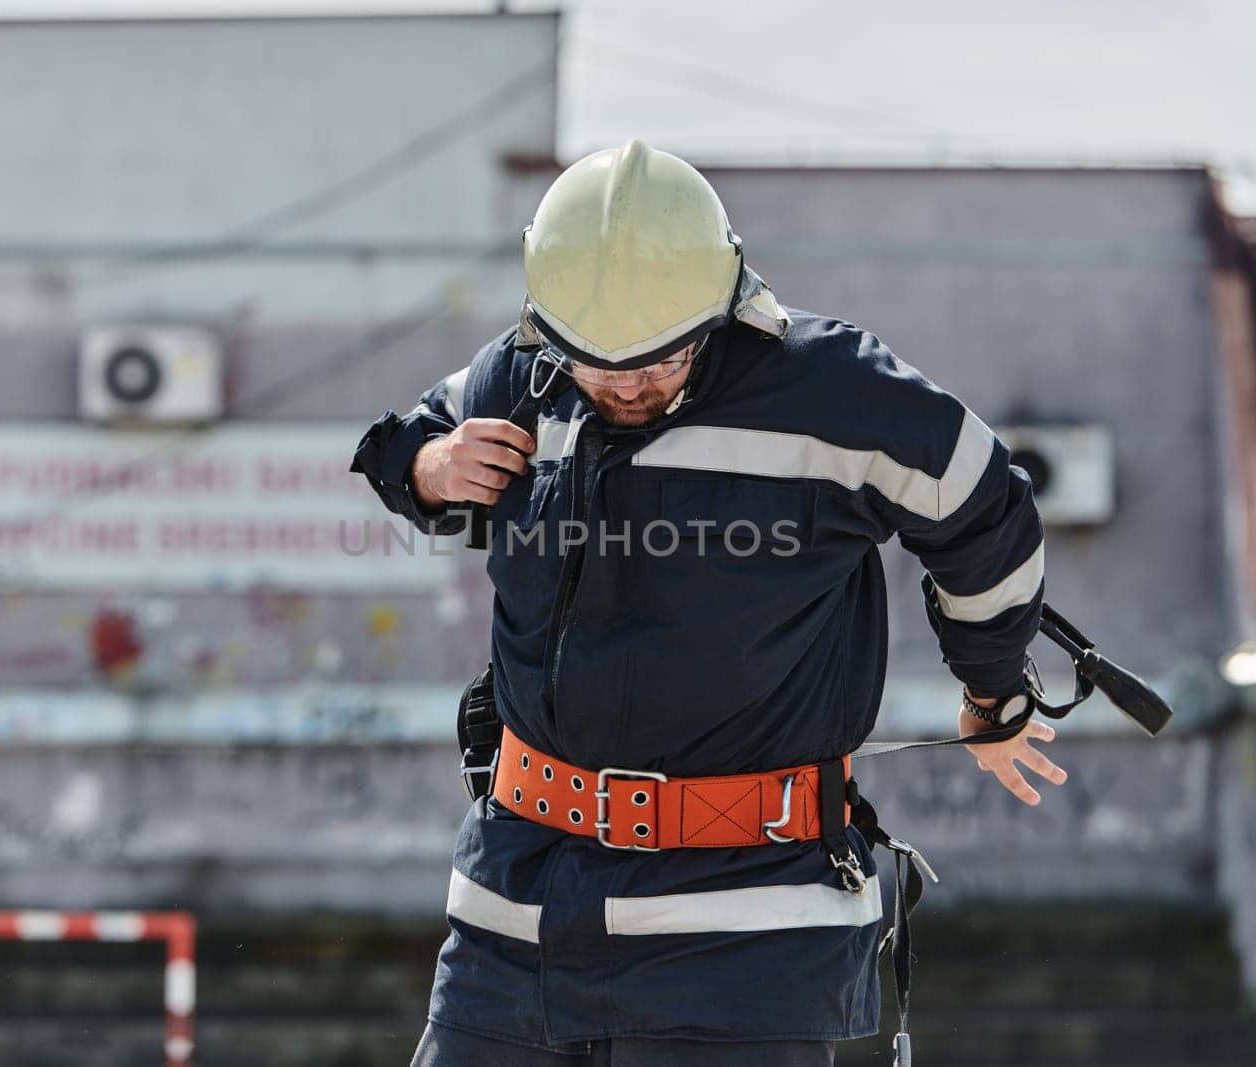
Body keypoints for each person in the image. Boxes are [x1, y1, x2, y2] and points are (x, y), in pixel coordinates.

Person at [350, 139, 1065, 1066]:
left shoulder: (836, 389)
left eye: (659, 357)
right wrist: (429, 467)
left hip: (744, 946)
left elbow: (986, 507)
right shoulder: (526, 376)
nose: (628, 383)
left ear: (724, 303)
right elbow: (400, 441)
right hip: (513, 927)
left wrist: (991, 690)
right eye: (597, 363)